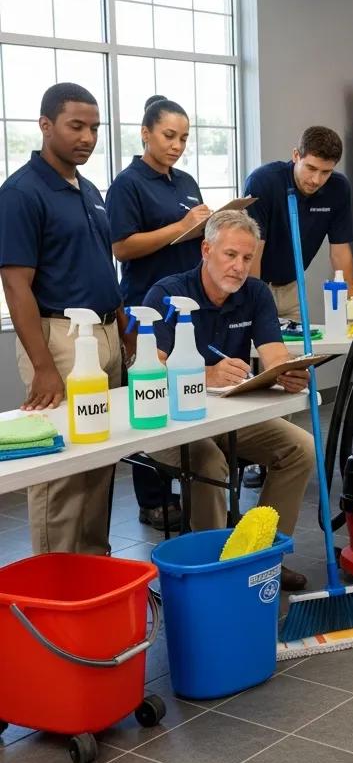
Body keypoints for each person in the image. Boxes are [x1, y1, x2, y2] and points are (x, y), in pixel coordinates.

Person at [142, 210, 313, 591]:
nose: (238, 267)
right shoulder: (167, 294)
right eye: (230, 255)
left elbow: (274, 354)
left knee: (301, 448)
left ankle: (263, 556)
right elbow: (152, 371)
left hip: (228, 417)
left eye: (247, 259)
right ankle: (215, 573)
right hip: (173, 424)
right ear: (206, 249)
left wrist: (286, 373)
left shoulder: (254, 293)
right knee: (209, 463)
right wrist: (206, 375)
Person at [0, 83, 126, 555]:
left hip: (107, 333)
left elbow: (96, 265)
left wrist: (123, 329)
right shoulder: (20, 193)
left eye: (94, 127)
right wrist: (44, 366)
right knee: (64, 468)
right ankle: (54, 581)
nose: (88, 137)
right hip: (60, 340)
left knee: (101, 454)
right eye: (76, 126)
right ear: (46, 125)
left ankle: (94, 568)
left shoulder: (89, 188)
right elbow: (16, 284)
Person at [105, 94, 210, 532]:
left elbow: (196, 234)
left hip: (186, 299)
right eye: (169, 135)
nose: (177, 145)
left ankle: (195, 482)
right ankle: (152, 498)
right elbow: (121, 245)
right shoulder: (127, 185)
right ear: (145, 133)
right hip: (145, 304)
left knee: (185, 393)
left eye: (184, 137)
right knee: (149, 396)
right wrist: (179, 228)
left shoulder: (184, 180)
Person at [244, 126, 353, 322]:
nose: (316, 180)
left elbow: (340, 251)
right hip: (256, 284)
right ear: (296, 155)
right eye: (311, 168)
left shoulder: (338, 188)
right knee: (259, 350)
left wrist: (352, 303)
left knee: (296, 351)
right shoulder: (263, 181)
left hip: (292, 287)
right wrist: (254, 301)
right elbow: (253, 250)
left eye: (325, 172)